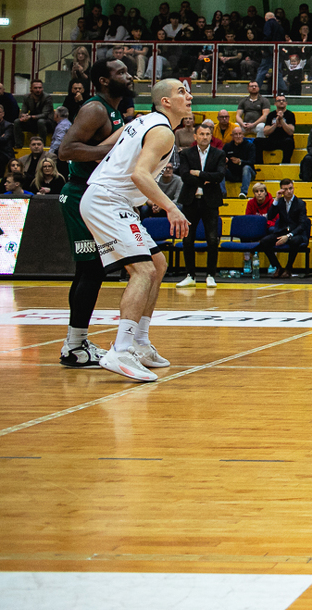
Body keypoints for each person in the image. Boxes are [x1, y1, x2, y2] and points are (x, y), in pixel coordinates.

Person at [80, 78, 193, 382]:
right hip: (107, 200)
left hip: (113, 199)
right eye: (181, 92)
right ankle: (121, 349)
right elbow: (139, 175)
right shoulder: (162, 131)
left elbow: (105, 150)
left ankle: (140, 343)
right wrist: (171, 208)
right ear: (165, 102)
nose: (189, 96)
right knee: (143, 271)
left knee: (158, 264)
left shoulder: (143, 121)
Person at [54, 59, 132, 369]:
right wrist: (110, 151)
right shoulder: (95, 109)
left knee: (91, 271)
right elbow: (66, 150)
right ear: (103, 80)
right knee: (91, 270)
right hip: (79, 194)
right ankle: (74, 346)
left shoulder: (113, 111)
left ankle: (76, 343)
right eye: (121, 72)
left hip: (94, 196)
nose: (128, 76)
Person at [174, 119, 225, 288]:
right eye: (201, 134)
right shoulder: (186, 154)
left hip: (210, 201)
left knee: (212, 239)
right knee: (188, 239)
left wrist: (198, 173)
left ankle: (211, 275)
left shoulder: (219, 154)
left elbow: (219, 176)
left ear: (211, 136)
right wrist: (206, 179)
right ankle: (190, 275)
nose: (205, 137)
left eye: (208, 134)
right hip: (190, 200)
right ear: (195, 136)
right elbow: (184, 176)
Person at [249, 179, 311, 277]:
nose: (289, 191)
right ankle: (278, 267)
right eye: (285, 189)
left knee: (294, 241)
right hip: (282, 231)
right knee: (264, 241)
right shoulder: (280, 202)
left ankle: (288, 268)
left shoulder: (300, 203)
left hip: (297, 233)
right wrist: (276, 200)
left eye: (290, 188)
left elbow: (302, 224)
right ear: (281, 191)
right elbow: (270, 216)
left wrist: (289, 236)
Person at [256, 95, 296, 163]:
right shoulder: (271, 115)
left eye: (283, 100)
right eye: (279, 100)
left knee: (290, 142)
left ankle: (285, 164)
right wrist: (276, 124)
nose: (281, 102)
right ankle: (260, 164)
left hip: (285, 140)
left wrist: (282, 120)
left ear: (286, 103)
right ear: (275, 103)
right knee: (257, 141)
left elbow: (290, 132)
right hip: (272, 140)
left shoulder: (290, 115)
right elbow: (266, 132)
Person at [221, 124, 257, 197]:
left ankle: (243, 193)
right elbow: (221, 160)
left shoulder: (250, 146)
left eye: (240, 134)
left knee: (246, 167)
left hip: (248, 174)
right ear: (232, 136)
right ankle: (222, 193)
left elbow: (252, 161)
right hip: (232, 173)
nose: (238, 136)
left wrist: (240, 162)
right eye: (236, 134)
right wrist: (224, 161)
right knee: (221, 168)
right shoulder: (227, 146)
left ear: (243, 135)